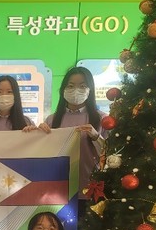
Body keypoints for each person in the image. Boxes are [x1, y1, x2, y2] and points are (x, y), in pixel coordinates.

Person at [38, 66, 107, 213]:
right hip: (58, 190)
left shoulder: (102, 119)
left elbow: (111, 155)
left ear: (90, 89)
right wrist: (38, 135)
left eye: (82, 86)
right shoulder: (52, 120)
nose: (76, 90)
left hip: (90, 189)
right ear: (63, 89)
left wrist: (96, 136)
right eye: (70, 86)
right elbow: (43, 154)